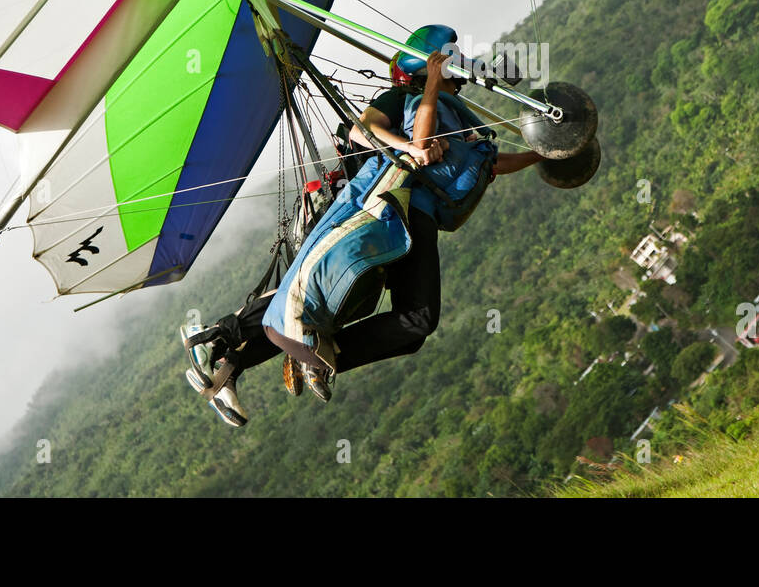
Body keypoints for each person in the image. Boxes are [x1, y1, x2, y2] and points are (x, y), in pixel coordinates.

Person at [182, 25, 543, 418]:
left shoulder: (458, 121)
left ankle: (313, 357)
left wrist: (543, 154)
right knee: (315, 289)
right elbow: (365, 129)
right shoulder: (402, 98)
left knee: (413, 321)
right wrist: (412, 137)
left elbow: (490, 163)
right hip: (383, 204)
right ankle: (217, 341)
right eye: (443, 67)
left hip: (417, 222)